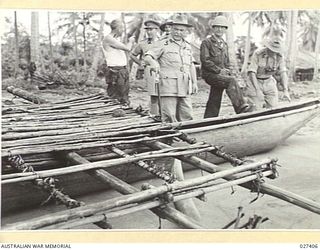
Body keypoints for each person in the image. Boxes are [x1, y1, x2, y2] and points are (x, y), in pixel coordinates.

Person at [144, 14, 198, 123]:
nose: (178, 32)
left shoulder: (187, 46)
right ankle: (167, 138)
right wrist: (153, 63)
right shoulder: (163, 43)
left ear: (186, 32)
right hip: (168, 86)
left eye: (181, 30)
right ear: (171, 29)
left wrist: (194, 83)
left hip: (184, 85)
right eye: (175, 29)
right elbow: (148, 57)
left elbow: (191, 65)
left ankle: (185, 136)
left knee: (187, 114)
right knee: (169, 115)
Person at [200, 15, 251, 118]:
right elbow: (205, 61)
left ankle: (209, 119)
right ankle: (241, 108)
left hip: (219, 75)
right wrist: (219, 70)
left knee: (215, 96)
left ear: (225, 29)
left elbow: (226, 61)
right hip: (210, 74)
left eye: (222, 27)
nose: (219, 29)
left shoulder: (224, 44)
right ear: (213, 28)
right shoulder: (207, 42)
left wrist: (227, 70)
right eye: (217, 27)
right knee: (230, 81)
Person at [245, 31, 291, 109]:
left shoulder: (280, 56)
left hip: (269, 81)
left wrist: (285, 90)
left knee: (273, 108)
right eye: (272, 50)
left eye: (276, 50)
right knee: (255, 109)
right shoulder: (258, 53)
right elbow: (252, 72)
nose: (274, 52)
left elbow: (283, 73)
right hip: (255, 82)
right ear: (268, 47)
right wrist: (257, 90)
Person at [130, 19, 161, 116]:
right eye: (147, 30)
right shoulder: (143, 43)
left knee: (165, 94)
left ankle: (164, 115)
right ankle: (155, 116)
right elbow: (132, 54)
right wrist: (140, 63)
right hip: (150, 71)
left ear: (157, 30)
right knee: (154, 95)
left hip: (163, 70)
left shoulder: (163, 42)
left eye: (151, 29)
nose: (149, 32)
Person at [102, 19, 134, 105]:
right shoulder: (109, 39)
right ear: (118, 28)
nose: (123, 30)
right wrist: (131, 41)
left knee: (124, 95)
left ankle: (122, 112)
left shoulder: (114, 39)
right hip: (115, 71)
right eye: (122, 28)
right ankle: (115, 113)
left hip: (121, 70)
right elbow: (128, 48)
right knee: (115, 96)